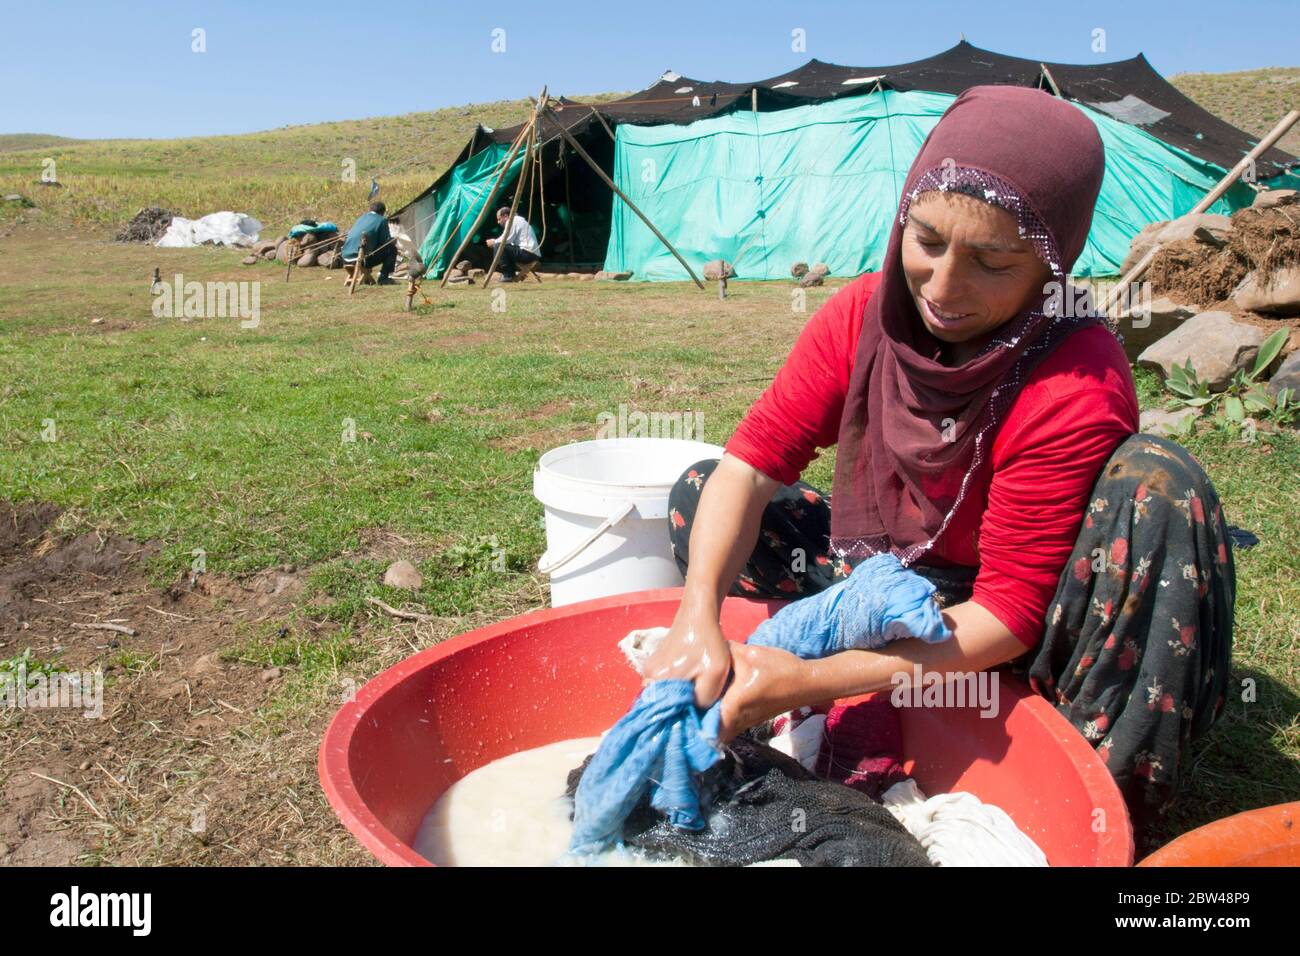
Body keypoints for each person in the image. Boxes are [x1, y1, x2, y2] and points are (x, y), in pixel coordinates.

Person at [650, 85, 1235, 846]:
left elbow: (1009, 612)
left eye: (993, 261)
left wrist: (810, 681)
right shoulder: (862, 317)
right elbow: (750, 466)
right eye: (926, 241)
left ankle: (1088, 779)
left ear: (1054, 259)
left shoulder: (1073, 375)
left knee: (1158, 492)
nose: (945, 289)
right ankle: (858, 655)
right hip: (895, 573)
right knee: (702, 494)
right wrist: (697, 614)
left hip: (1021, 612)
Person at [340, 201, 397, 285]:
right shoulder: (382, 220)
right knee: (391, 249)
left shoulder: (361, 218)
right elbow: (385, 242)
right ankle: (384, 278)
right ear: (382, 212)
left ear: (370, 209)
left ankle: (369, 278)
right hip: (360, 259)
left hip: (345, 258)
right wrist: (393, 240)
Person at [486, 206, 541, 280]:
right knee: (503, 247)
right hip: (530, 253)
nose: (498, 222)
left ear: (505, 216)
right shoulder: (518, 220)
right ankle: (509, 274)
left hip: (528, 253)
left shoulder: (513, 220)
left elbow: (507, 238)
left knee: (499, 246)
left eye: (499, 219)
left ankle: (508, 275)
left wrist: (494, 242)